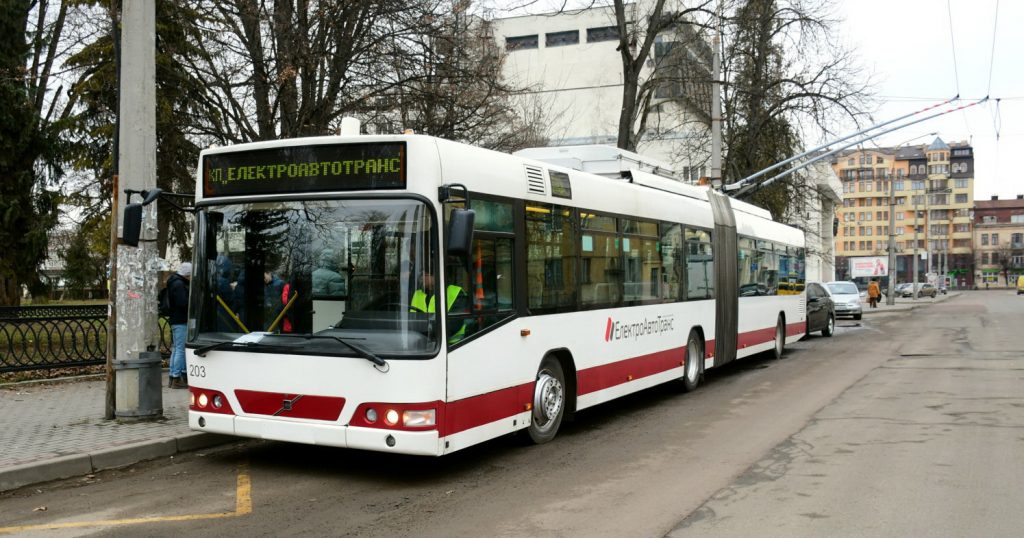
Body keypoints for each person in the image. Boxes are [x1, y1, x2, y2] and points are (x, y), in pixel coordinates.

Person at [410, 269, 469, 343]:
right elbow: (411, 320)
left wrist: (428, 334)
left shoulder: (456, 292)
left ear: (435, 276)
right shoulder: (417, 294)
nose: (421, 278)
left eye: (424, 275)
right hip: (421, 341)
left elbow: (455, 324)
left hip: (452, 344)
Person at [167, 262, 191, 389]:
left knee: (176, 349)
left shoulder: (174, 282)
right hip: (181, 320)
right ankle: (176, 378)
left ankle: (172, 376)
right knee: (180, 350)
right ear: (187, 274)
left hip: (175, 319)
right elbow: (183, 303)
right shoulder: (180, 284)